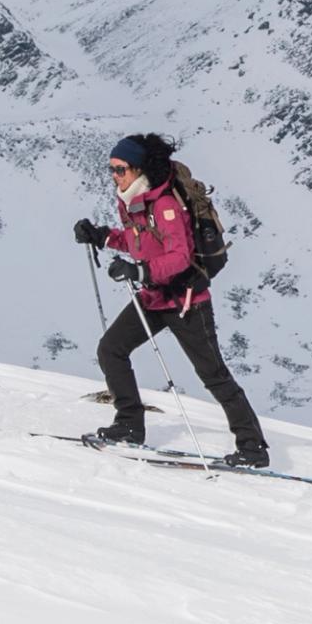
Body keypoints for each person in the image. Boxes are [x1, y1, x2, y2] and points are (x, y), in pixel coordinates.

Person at [76, 133, 268, 466]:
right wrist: (104, 236)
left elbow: (179, 257)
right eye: (111, 168)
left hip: (185, 301)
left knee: (214, 375)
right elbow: (141, 242)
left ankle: (253, 448)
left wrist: (139, 272)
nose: (114, 175)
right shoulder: (132, 199)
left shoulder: (164, 204)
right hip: (153, 297)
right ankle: (129, 426)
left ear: (138, 169)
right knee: (111, 349)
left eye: (120, 169)